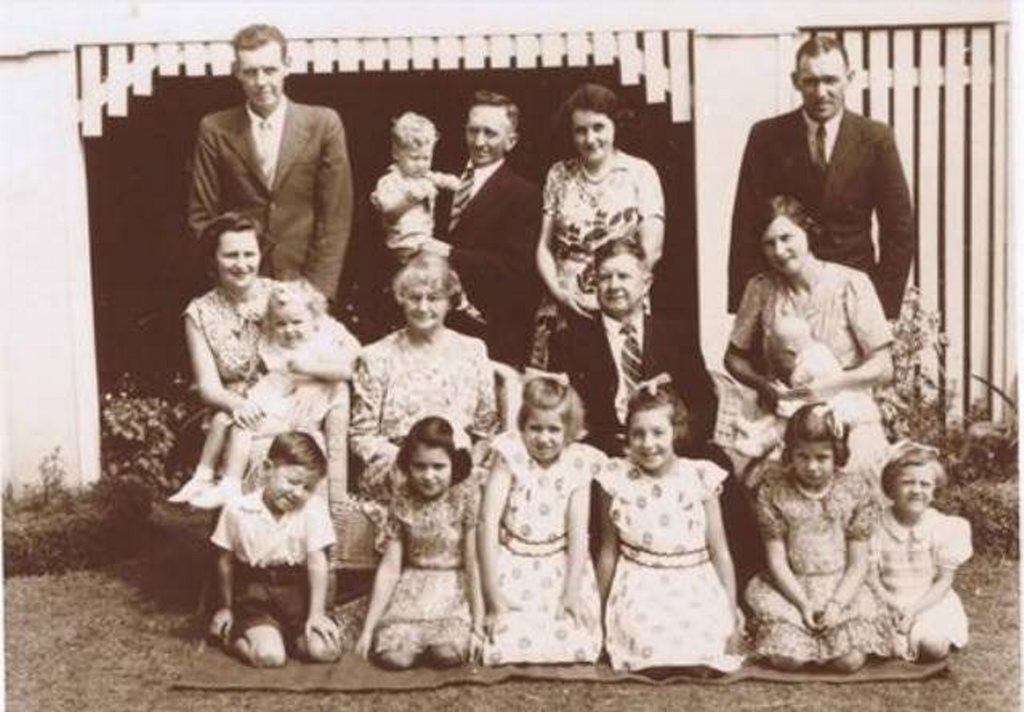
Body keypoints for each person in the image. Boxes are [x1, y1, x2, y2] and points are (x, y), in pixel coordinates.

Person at [729, 35, 913, 320]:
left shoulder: (876, 138)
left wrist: (883, 307)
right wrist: (748, 306)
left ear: (849, 78)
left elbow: (898, 228)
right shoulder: (767, 137)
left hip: (852, 292)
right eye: (811, 81)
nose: (821, 92)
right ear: (795, 81)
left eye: (831, 80)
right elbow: (747, 223)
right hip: (785, 294)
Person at [725, 195, 894, 482]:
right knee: (763, 485)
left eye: (786, 237)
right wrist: (766, 387)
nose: (779, 251)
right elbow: (733, 358)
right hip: (786, 417)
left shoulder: (850, 283)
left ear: (807, 232)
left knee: (856, 484)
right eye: (769, 243)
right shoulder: (761, 288)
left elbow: (883, 367)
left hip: (845, 416)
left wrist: (828, 385)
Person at [188, 23, 353, 302]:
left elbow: (336, 217)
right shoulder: (215, 129)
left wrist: (316, 293)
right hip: (239, 286)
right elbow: (202, 217)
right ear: (237, 72)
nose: (261, 81)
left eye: (270, 70)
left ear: (287, 66)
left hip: (304, 286)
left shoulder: (323, 124)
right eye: (251, 72)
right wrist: (232, 285)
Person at [595, 378, 744, 672]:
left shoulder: (700, 476)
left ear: (676, 431)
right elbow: (608, 553)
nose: (648, 444)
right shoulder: (615, 478)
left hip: (693, 582)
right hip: (641, 583)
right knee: (649, 641)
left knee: (704, 640)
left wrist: (730, 613)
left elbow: (720, 552)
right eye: (638, 434)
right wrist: (596, 618)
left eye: (658, 432)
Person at [172, 279, 360, 508]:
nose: (289, 330)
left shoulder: (321, 344)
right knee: (221, 419)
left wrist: (308, 370)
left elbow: (346, 371)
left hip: (294, 413)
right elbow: (262, 372)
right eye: (281, 324)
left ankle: (230, 484)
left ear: (315, 319)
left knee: (243, 427)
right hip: (274, 401)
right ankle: (202, 476)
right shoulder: (275, 345)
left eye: (297, 322)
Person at [745, 404, 891, 673]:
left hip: (842, 587)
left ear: (837, 454)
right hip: (791, 587)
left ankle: (836, 638)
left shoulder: (854, 490)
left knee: (848, 661)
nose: (812, 467)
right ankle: (799, 638)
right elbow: (776, 560)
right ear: (790, 454)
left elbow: (858, 563)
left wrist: (836, 605)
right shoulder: (775, 492)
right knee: (788, 660)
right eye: (803, 456)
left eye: (822, 457)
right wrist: (802, 603)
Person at [530, 83, 665, 368]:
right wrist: (560, 293)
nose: (590, 138)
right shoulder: (559, 174)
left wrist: (613, 296)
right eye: (580, 130)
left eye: (598, 127)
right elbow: (543, 246)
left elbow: (651, 249)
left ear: (615, 125)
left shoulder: (640, 173)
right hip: (565, 305)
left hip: (621, 301)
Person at [349, 253, 498, 504]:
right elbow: (361, 436)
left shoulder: (473, 350)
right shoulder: (376, 356)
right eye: (414, 297)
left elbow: (486, 430)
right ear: (401, 299)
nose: (423, 307)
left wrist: (462, 466)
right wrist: (412, 467)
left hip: (457, 469)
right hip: (396, 470)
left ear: (450, 301)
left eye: (434, 298)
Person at [478, 374, 604, 665]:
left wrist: (571, 591)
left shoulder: (578, 462)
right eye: (535, 428)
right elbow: (487, 523)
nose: (544, 438)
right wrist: (494, 597)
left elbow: (578, 534)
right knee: (504, 639)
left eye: (553, 430)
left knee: (575, 641)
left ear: (569, 430)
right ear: (523, 426)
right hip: (513, 562)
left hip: (557, 567)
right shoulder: (509, 454)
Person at [549, 238, 715, 455]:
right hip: (601, 454)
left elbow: (703, 405)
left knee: (720, 466)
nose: (614, 285)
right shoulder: (568, 341)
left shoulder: (676, 336)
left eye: (623, 276)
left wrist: (669, 444)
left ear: (646, 284)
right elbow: (559, 414)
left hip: (668, 449)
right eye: (605, 278)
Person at [418, 91, 543, 368]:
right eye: (473, 131)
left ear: (511, 141)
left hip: (486, 332)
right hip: (426, 323)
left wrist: (451, 254)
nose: (479, 142)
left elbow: (517, 271)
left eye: (490, 133)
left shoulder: (525, 195)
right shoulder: (436, 178)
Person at [355, 417, 485, 669]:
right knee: (394, 658)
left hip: (452, 590)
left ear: (453, 464)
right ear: (408, 465)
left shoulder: (465, 495)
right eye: (420, 466)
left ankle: (441, 641)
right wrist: (368, 629)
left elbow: (473, 563)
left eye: (438, 467)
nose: (428, 476)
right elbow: (390, 567)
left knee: (445, 654)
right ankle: (408, 642)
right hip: (412, 590)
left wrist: (478, 625)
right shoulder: (403, 497)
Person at [208, 432, 341, 667]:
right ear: (267, 469)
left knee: (325, 652)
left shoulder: (314, 509)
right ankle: (233, 638)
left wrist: (317, 613)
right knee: (271, 657)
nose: (298, 493)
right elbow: (224, 561)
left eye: (308, 487)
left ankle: (289, 637)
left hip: (298, 595)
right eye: (292, 481)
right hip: (256, 594)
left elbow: (317, 562)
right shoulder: (238, 509)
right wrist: (225, 607)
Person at [869, 442, 972, 662]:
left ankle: (919, 637)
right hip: (886, 600)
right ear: (891, 486)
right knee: (881, 645)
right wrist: (893, 605)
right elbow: (870, 577)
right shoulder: (875, 525)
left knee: (933, 647)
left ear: (935, 490)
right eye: (907, 482)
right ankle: (896, 639)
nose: (916, 490)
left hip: (929, 602)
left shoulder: (944, 527)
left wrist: (914, 610)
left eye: (925, 484)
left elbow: (944, 581)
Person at [731, 314, 878, 460]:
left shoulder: (809, 365)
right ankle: (758, 428)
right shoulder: (819, 350)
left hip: (830, 405)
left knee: (789, 414)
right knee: (785, 407)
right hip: (820, 398)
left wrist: (789, 394)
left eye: (780, 353)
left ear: (790, 350)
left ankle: (763, 444)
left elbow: (815, 391)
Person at [371, 112, 461, 262]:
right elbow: (389, 216)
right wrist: (408, 200)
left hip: (423, 241)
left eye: (426, 158)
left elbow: (444, 180)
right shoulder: (390, 181)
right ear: (396, 153)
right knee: (449, 257)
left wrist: (455, 183)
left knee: (452, 257)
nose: (421, 164)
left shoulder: (426, 175)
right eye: (414, 158)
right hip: (404, 244)